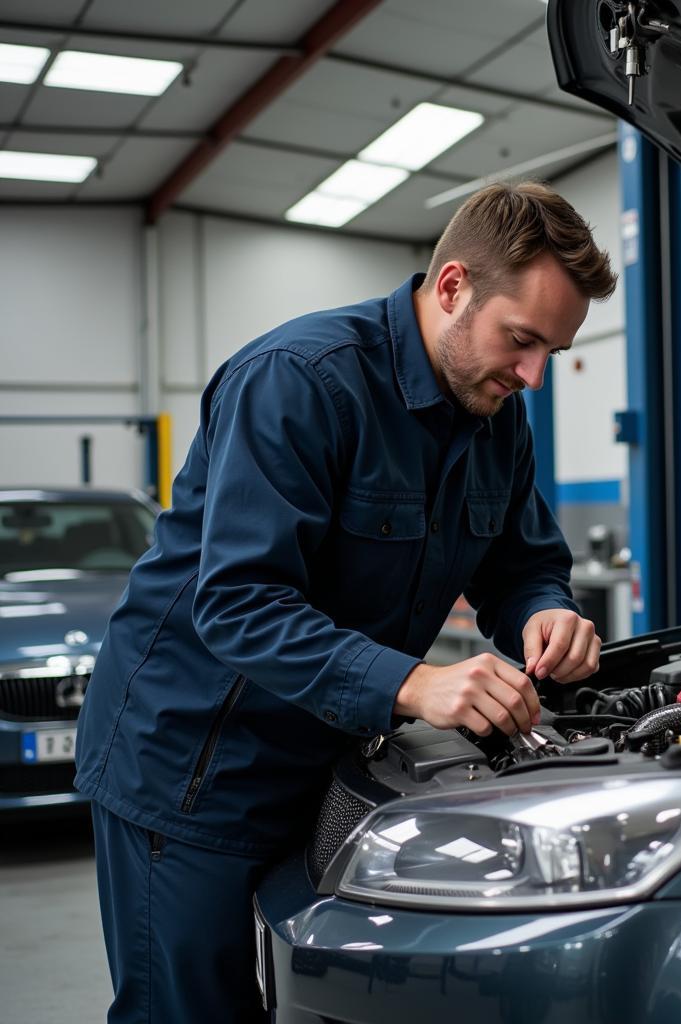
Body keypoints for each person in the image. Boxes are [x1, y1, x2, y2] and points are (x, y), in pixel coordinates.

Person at [75, 181, 617, 1022]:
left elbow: (520, 565)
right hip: (189, 764)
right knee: (188, 1011)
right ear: (452, 288)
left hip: (325, 762)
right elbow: (241, 603)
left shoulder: (494, 409)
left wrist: (545, 609)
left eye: (552, 349)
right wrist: (416, 684)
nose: (534, 375)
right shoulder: (299, 381)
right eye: (522, 340)